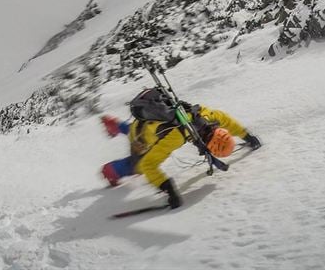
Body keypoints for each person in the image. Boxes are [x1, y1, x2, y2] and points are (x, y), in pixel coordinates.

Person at [99, 87, 262, 209]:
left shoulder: (206, 117)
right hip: (142, 136)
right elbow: (148, 165)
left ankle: (116, 125)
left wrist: (246, 136)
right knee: (137, 166)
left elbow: (227, 120)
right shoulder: (177, 136)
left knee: (139, 129)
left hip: (146, 124)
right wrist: (168, 189)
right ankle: (110, 170)